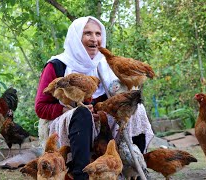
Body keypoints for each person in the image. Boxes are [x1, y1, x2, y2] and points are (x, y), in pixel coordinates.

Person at [35, 16, 154, 180]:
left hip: (102, 127)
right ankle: (80, 175)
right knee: (82, 114)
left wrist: (103, 113)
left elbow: (115, 100)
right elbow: (40, 108)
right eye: (88, 33)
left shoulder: (106, 67)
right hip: (68, 125)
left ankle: (135, 169)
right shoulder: (58, 65)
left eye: (98, 34)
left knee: (136, 109)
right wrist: (71, 109)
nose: (95, 39)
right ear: (76, 37)